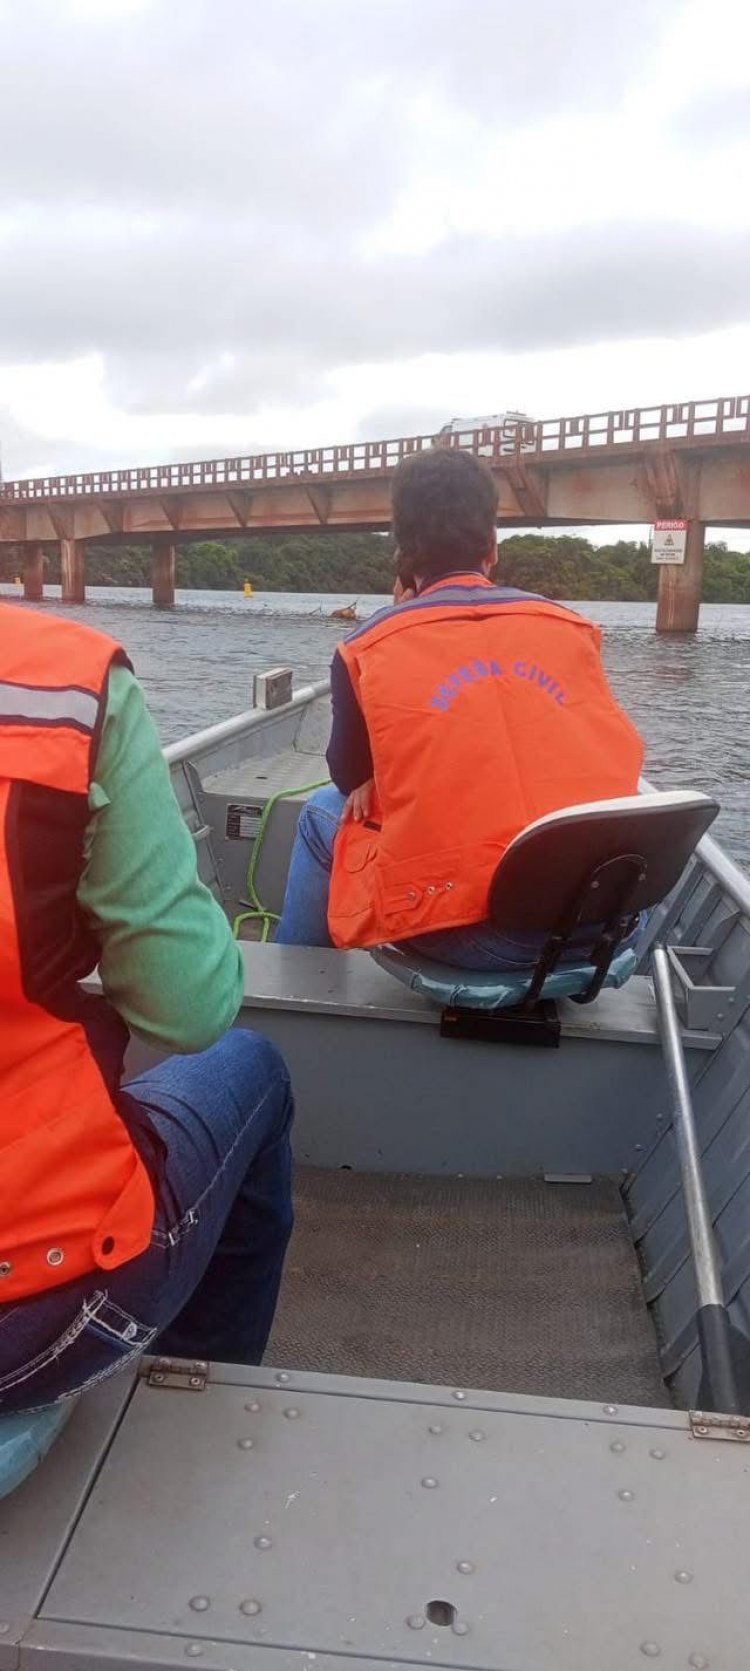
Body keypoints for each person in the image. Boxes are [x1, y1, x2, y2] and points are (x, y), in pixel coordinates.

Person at [0, 602, 293, 1414]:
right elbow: (188, 1009)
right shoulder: (61, 683)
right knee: (251, 1066)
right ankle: (197, 1403)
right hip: (26, 1310)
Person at [276, 445, 645, 966]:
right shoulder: (574, 630)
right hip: (605, 928)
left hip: (467, 936)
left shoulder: (368, 647)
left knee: (322, 813)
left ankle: (292, 989)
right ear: (491, 547)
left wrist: (399, 618)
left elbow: (348, 778)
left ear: (402, 553)